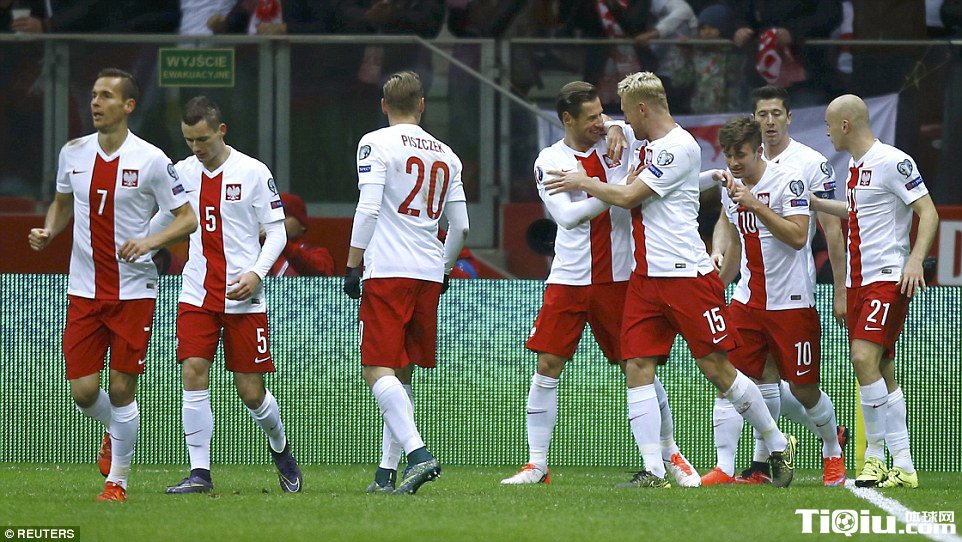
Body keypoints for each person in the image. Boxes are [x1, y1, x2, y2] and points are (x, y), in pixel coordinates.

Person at [543, 71, 796, 488]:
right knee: (637, 366)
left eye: (627, 113)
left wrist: (584, 181)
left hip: (686, 277)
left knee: (717, 368)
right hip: (645, 279)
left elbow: (628, 196)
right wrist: (616, 127)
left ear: (643, 109)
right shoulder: (642, 139)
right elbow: (612, 127)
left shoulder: (679, 147)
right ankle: (654, 470)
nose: (621, 121)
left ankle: (776, 442)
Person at [500, 81, 700, 488]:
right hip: (570, 277)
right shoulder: (550, 160)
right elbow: (567, 217)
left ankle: (669, 454)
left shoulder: (622, 141)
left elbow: (638, 137)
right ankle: (536, 465)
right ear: (567, 119)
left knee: (638, 366)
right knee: (547, 365)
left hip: (621, 277)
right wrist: (621, 191)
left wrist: (613, 130)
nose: (600, 122)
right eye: (591, 117)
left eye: (602, 114)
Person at [27, 68, 197, 502]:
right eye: (94, 95)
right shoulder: (73, 152)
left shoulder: (152, 160)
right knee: (84, 391)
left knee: (122, 388)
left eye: (106, 96)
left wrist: (150, 242)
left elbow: (187, 219)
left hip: (133, 292)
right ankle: (114, 429)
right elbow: (61, 204)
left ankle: (117, 482)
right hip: (83, 290)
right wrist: (48, 230)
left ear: (128, 106)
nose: (95, 103)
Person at [155, 96, 302, 495]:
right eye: (189, 140)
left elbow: (277, 232)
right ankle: (199, 473)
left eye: (202, 139)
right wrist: (138, 244)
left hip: (242, 296)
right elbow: (164, 219)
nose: (196, 148)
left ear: (221, 131)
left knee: (251, 393)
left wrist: (257, 273)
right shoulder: (182, 172)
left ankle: (280, 447)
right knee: (193, 370)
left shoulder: (253, 172)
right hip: (197, 293)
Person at [707, 85, 849, 485]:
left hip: (792, 300)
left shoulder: (793, 179)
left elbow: (800, 237)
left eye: (739, 155)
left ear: (757, 151)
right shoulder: (730, 186)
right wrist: (717, 277)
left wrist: (756, 204)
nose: (733, 162)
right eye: (728, 156)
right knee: (731, 378)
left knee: (803, 388)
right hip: (748, 299)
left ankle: (832, 448)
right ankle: (729, 467)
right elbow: (733, 235)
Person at [344, 71, 469, 495]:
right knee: (402, 371)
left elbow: (368, 208)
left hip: (389, 269)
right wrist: (446, 269)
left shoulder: (375, 143)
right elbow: (461, 227)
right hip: (429, 271)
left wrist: (352, 264)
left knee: (376, 366)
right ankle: (386, 473)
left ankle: (418, 455)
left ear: (384, 105)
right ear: (421, 105)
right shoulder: (448, 155)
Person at [811, 94, 940, 489]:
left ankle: (875, 458)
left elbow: (928, 212)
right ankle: (904, 465)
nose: (827, 132)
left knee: (862, 356)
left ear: (845, 125)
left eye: (830, 125)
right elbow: (857, 212)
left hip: (887, 277)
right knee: (882, 367)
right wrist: (815, 203)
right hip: (859, 281)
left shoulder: (893, 161)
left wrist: (915, 260)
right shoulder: (856, 166)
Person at [269, 192, 335, 277]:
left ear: (302, 225)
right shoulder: (261, 253)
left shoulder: (319, 254)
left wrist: (282, 241)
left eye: (284, 216)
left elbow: (321, 274)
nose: (276, 222)